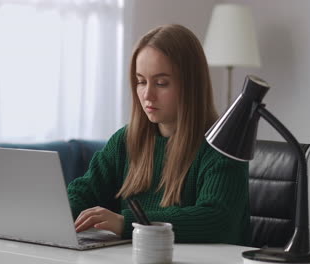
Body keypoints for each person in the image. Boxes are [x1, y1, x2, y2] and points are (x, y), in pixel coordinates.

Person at [67, 24, 250, 245]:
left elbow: (217, 220)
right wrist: (57, 212)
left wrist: (128, 223)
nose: (147, 95)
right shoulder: (124, 141)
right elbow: (84, 191)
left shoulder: (222, 147)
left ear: (191, 85)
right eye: (141, 81)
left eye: (161, 83)